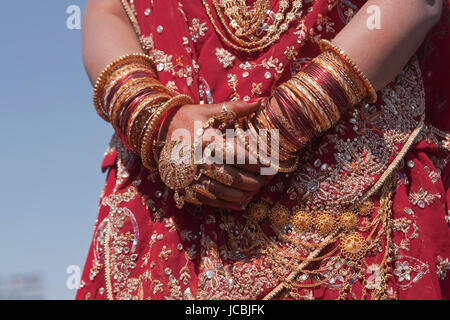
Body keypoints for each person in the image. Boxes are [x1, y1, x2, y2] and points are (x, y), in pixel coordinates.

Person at [76, 0, 450, 300]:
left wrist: (279, 128)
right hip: (167, 192)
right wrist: (156, 119)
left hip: (353, 172)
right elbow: (107, 10)